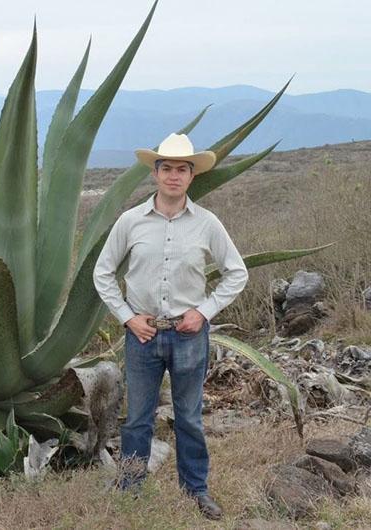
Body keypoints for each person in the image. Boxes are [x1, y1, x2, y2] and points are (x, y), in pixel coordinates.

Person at [92, 133, 248, 520]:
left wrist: (204, 311)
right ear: (155, 173)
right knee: (138, 418)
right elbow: (103, 272)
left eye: (182, 169)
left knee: (189, 417)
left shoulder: (207, 224)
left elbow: (237, 273)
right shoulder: (131, 222)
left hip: (189, 334)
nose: (174, 176)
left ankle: (196, 490)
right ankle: (129, 488)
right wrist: (128, 317)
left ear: (191, 176)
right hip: (142, 335)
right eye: (166, 168)